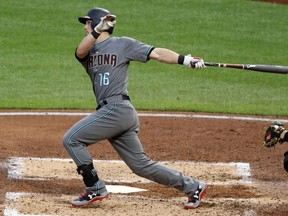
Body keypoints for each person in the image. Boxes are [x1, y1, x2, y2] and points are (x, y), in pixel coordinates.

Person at [63, 7, 207, 209]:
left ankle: (95, 187)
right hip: (115, 113)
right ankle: (193, 187)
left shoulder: (123, 44)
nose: (85, 27)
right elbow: (80, 51)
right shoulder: (88, 53)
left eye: (88, 23)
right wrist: (97, 30)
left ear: (96, 23)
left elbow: (157, 53)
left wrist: (185, 60)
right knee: (141, 166)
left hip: (117, 109)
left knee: (71, 139)